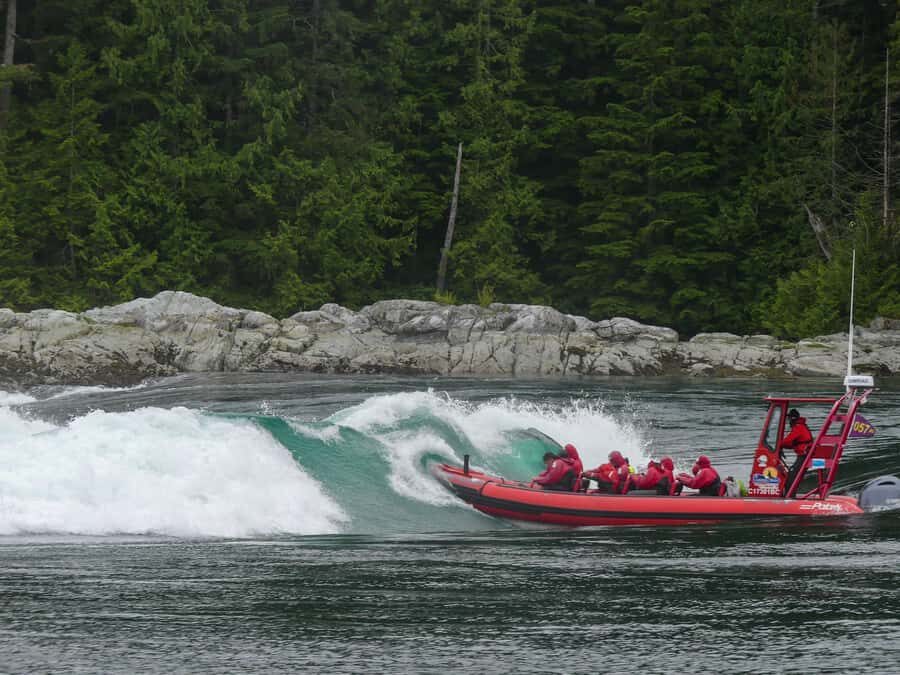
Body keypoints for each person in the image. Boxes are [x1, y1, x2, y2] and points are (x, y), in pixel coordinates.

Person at [782, 408, 813, 492]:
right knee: (793, 473)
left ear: (792, 418)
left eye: (789, 418)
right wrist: (785, 446)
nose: (788, 421)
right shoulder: (801, 426)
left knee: (791, 475)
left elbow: (787, 440)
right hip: (805, 454)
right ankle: (790, 493)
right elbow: (795, 443)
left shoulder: (798, 427)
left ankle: (789, 495)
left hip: (804, 456)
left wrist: (779, 444)